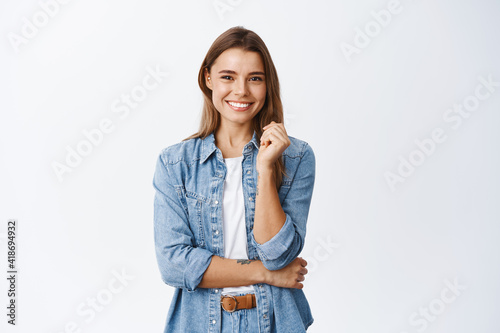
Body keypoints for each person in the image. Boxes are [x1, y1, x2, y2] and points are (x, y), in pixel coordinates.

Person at [153, 26, 316, 333]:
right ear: (208, 78)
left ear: (267, 85)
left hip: (275, 322)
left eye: (255, 78)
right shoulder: (175, 164)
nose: (241, 90)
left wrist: (265, 168)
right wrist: (266, 274)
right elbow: (174, 264)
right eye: (228, 76)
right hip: (201, 324)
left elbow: (279, 254)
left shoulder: (296, 158)